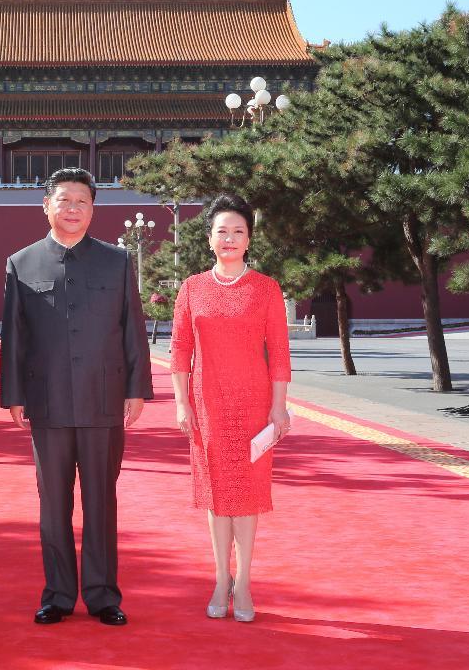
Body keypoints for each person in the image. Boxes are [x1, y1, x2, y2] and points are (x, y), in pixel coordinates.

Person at [0, 167, 153, 627]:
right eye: (63, 201)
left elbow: (132, 328)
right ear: (45, 206)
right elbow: (14, 336)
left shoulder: (116, 261)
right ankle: (59, 594)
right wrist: (13, 394)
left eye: (81, 202)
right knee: (53, 505)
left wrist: (136, 388)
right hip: (47, 404)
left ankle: (104, 594)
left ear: (93, 209)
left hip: (103, 401)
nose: (72, 209)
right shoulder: (21, 263)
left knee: (101, 501)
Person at [170, 193, 291, 623]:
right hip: (208, 407)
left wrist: (279, 408)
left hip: (255, 405)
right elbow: (180, 350)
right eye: (222, 231)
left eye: (238, 231)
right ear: (209, 239)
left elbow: (278, 352)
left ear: (249, 239)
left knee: (249, 496)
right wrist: (182, 404)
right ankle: (221, 577)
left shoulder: (266, 289)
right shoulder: (192, 288)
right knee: (218, 495)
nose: (230, 238)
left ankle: (245, 583)